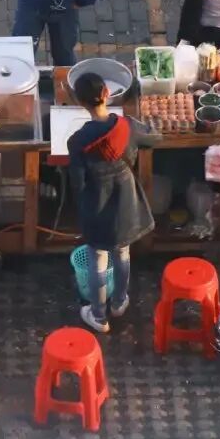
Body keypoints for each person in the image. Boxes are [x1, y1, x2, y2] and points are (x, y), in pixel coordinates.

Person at [67, 72, 161, 333]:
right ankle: (119, 302)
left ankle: (98, 316)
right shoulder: (127, 127)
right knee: (122, 251)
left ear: (79, 102)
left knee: (98, 258)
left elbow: (77, 182)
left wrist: (81, 207)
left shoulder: (77, 141)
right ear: (107, 94)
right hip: (125, 199)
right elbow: (155, 137)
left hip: (96, 203)